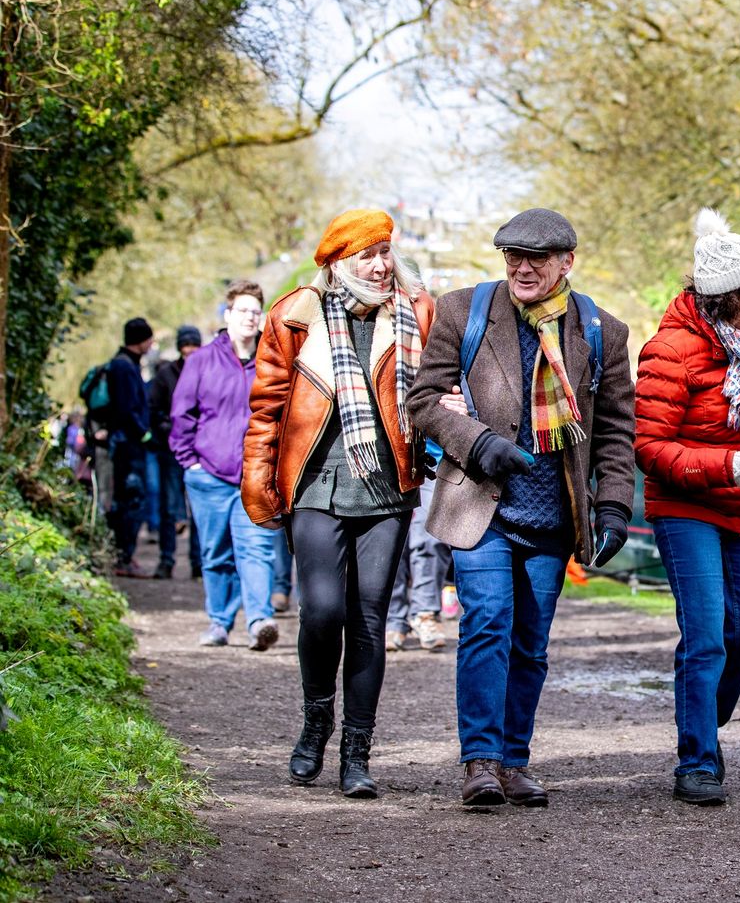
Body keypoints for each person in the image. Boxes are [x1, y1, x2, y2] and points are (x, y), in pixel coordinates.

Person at [409, 208, 635, 808]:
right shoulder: (463, 311)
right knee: (488, 620)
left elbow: (616, 430)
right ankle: (480, 762)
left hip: (555, 516)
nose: (522, 266)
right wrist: (477, 442)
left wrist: (613, 506)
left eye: (536, 257)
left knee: (531, 641)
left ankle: (514, 760)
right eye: (512, 254)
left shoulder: (602, 331)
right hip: (481, 505)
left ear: (567, 261)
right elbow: (424, 401)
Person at [242, 209, 434, 799]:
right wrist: (257, 478)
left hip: (385, 485)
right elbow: (267, 405)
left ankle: (357, 750)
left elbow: (439, 390)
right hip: (315, 483)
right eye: (365, 256)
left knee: (370, 619)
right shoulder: (294, 315)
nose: (379, 266)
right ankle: (315, 724)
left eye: (384, 253)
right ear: (338, 263)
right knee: (322, 611)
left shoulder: (417, 313)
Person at [634, 208, 740, 807]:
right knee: (705, 634)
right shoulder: (669, 350)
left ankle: (705, 716)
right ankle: (696, 759)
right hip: (687, 509)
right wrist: (724, 465)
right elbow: (648, 446)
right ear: (728, 295)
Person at [171, 283, 279, 651]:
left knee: (257, 549)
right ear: (228, 315)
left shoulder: (273, 358)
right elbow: (181, 414)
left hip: (257, 474)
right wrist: (191, 463)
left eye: (256, 311)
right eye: (243, 310)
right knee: (215, 552)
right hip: (210, 477)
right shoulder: (201, 360)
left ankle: (259, 621)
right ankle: (219, 622)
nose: (251, 317)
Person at [149, 325, 203, 580]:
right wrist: (170, 429)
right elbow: (154, 409)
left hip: (200, 450)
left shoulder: (206, 370)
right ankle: (166, 560)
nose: (190, 350)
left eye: (194, 345)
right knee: (169, 507)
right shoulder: (165, 374)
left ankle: (197, 562)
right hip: (170, 450)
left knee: (198, 509)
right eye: (186, 345)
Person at [385, 446, 451, 652]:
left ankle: (425, 613)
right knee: (391, 544)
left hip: (433, 460)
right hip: (389, 462)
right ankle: (393, 619)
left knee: (432, 539)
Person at [107, 317, 156, 577]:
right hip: (128, 445)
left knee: (127, 500)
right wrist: (145, 434)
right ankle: (123, 557)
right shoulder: (124, 367)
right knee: (131, 500)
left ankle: (125, 555)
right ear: (142, 340)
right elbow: (127, 409)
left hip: (126, 442)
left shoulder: (123, 363)